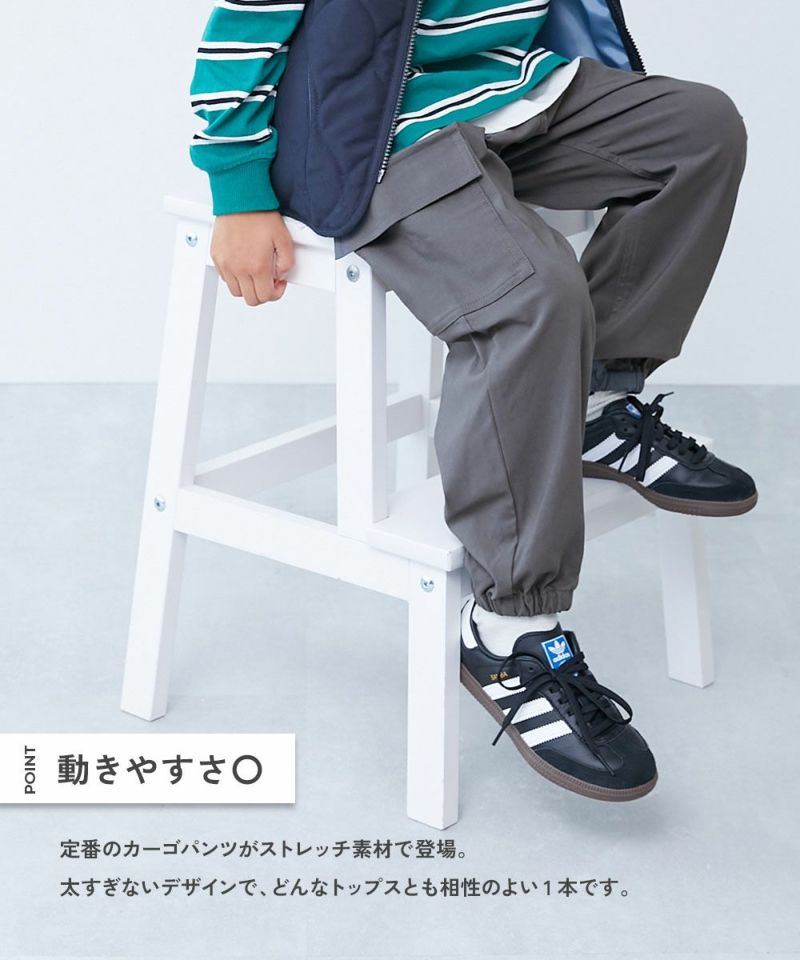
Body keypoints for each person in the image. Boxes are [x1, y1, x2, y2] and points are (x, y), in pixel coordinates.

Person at [188, 0, 756, 802]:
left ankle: (593, 405)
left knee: (701, 130)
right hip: (374, 137)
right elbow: (242, 25)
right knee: (535, 292)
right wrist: (238, 190)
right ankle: (509, 631)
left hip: (516, 91)